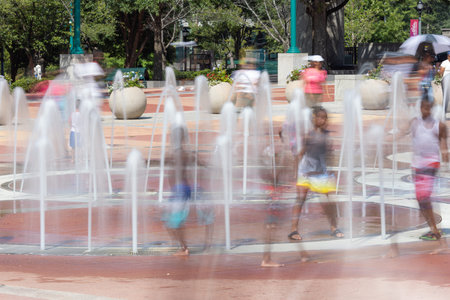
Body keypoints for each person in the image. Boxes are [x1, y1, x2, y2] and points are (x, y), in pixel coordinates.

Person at [288, 106, 344, 241]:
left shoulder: (326, 135)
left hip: (321, 173)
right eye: (321, 117)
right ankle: (293, 229)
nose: (324, 120)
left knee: (329, 201)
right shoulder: (308, 135)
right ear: (314, 119)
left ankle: (333, 227)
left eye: (325, 118)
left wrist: (331, 170)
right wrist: (295, 173)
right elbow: (300, 154)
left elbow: (329, 153)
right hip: (306, 173)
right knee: (300, 200)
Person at [410, 93, 448, 241]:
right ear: (420, 107)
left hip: (431, 163)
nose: (425, 110)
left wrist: (445, 155)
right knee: (420, 199)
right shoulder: (414, 122)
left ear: (431, 108)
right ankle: (432, 227)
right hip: (417, 164)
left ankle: (434, 229)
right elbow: (409, 137)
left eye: (427, 108)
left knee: (424, 196)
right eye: (422, 107)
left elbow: (443, 144)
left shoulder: (439, 125)